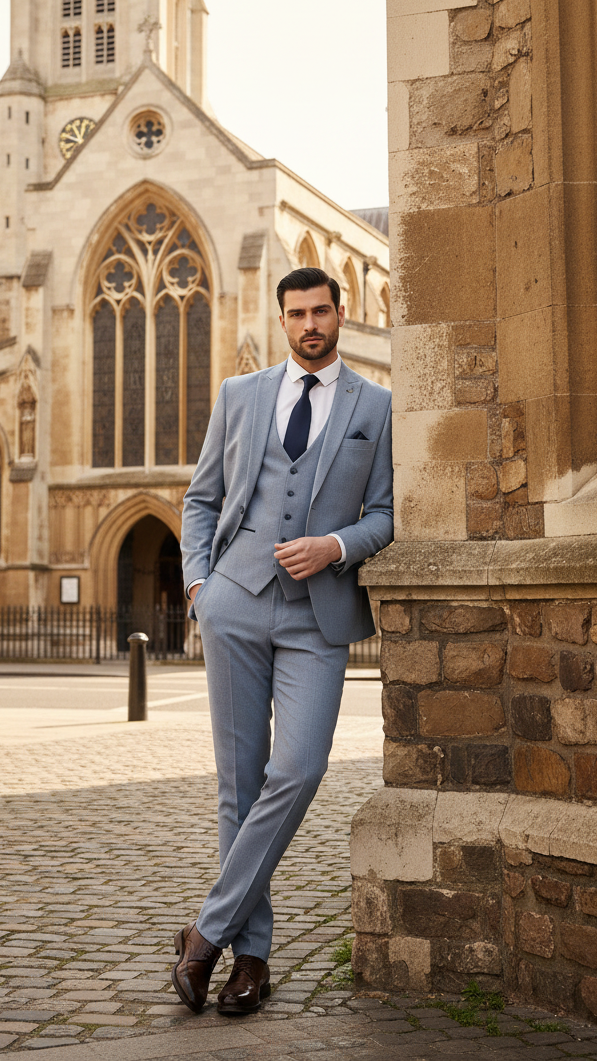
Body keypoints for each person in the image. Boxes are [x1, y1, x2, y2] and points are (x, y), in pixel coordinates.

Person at [174, 266, 393, 1016]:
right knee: (239, 784)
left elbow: (389, 514)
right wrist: (200, 587)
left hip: (316, 617)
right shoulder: (240, 396)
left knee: (297, 769)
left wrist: (335, 545)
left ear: (342, 313)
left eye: (321, 312)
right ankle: (251, 960)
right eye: (296, 313)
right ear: (283, 319)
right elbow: (201, 498)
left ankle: (205, 932)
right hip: (233, 601)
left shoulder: (379, 406)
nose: (310, 324)